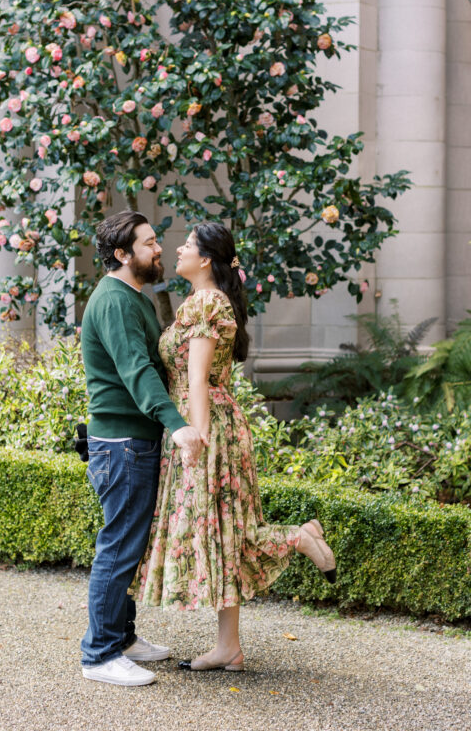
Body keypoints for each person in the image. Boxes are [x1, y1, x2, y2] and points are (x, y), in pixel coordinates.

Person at [133, 222, 337, 672]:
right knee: (222, 532)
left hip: (205, 427)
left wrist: (195, 440)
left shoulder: (206, 301)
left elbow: (198, 379)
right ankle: (229, 646)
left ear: (206, 259)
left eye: (187, 245)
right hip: (206, 423)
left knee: (220, 529)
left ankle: (298, 538)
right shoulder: (202, 300)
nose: (178, 249)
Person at [80, 210, 206, 687]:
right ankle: (99, 654)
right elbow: (137, 370)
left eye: (156, 240)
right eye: (149, 242)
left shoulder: (135, 298)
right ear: (122, 254)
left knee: (130, 546)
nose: (159, 248)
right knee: (118, 547)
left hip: (132, 440)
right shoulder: (114, 301)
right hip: (121, 444)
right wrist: (175, 424)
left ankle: (122, 636)